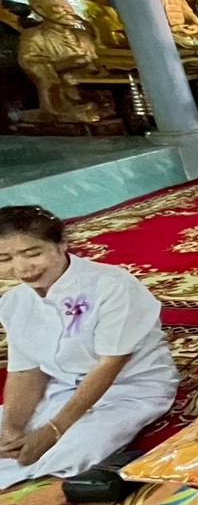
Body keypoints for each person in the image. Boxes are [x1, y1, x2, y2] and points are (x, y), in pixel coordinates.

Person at [0, 205, 178, 486]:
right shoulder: (14, 302)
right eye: (5, 258)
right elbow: (25, 371)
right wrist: (12, 427)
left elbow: (109, 364)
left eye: (33, 253)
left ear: (62, 243)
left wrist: (54, 430)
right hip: (61, 388)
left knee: (75, 451)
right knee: (11, 439)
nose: (21, 268)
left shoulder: (112, 286)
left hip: (128, 389)